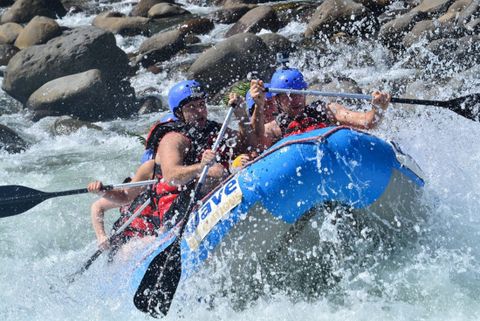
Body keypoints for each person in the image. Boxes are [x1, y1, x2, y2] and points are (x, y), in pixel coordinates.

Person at [87, 80, 255, 249]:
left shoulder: (211, 130)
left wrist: (241, 115)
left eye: (201, 104)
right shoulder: (171, 141)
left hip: (190, 203)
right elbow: (171, 176)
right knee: (214, 174)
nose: (200, 111)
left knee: (224, 169)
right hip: (173, 217)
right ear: (179, 113)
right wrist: (201, 167)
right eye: (191, 107)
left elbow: (249, 146)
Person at [249, 68, 391, 149]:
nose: (295, 99)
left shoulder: (326, 111)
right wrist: (258, 106)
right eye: (288, 95)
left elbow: (367, 122)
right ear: (276, 99)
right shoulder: (274, 129)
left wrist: (377, 108)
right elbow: (258, 144)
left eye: (299, 93)